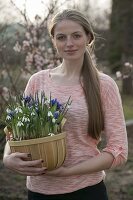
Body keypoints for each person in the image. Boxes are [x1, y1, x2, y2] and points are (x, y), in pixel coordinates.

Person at [3, 9, 128, 200]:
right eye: (61, 37)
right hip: (39, 192)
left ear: (89, 38)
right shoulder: (38, 81)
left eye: (76, 35)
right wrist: (7, 158)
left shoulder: (104, 85)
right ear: (53, 41)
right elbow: (14, 131)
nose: (69, 43)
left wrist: (67, 172)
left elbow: (118, 151)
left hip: (87, 191)